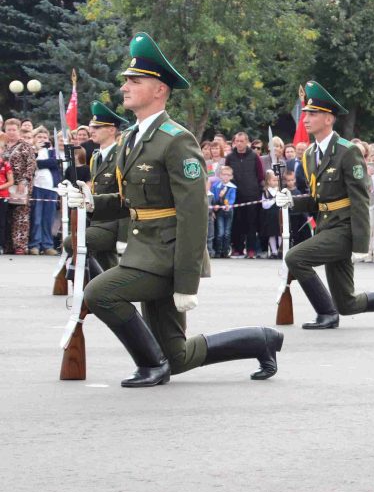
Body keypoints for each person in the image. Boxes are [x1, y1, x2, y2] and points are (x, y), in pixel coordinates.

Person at [61, 32, 282, 387]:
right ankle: (261, 340)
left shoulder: (176, 139)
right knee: (177, 357)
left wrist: (187, 281)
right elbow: (128, 201)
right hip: (142, 250)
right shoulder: (132, 138)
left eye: (135, 81)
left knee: (99, 293)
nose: (125, 88)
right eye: (126, 81)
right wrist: (89, 202)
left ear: (159, 90)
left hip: (165, 257)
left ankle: (151, 365)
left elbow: (194, 214)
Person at [276, 81, 374, 329]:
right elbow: (318, 199)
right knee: (347, 303)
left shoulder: (347, 151)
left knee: (296, 258)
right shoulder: (310, 154)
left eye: (313, 113)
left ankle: (325, 313)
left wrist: (360, 242)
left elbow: (360, 198)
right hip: (325, 227)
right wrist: (292, 201)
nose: (306, 119)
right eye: (306, 113)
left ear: (329, 119)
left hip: (344, 230)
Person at [62, 102, 130, 272]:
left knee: (72, 242)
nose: (92, 130)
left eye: (98, 127)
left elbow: (127, 197)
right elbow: (94, 191)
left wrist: (123, 236)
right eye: (92, 126)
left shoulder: (121, 157)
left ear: (112, 130)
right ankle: (104, 290)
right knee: (104, 263)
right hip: (97, 220)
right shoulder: (96, 157)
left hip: (114, 224)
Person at [225, 132, 264, 258]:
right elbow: (227, 173)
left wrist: (258, 190)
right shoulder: (230, 157)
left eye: (242, 141)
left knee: (251, 223)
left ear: (247, 142)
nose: (239, 144)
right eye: (237, 141)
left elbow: (260, 176)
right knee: (237, 223)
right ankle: (238, 248)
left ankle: (251, 249)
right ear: (234, 142)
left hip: (252, 196)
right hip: (235, 195)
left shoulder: (254, 156)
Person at [2, 118, 37, 255]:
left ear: (19, 131)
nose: (11, 132)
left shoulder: (25, 146)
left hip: (20, 186)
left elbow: (31, 165)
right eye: (8, 130)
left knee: (21, 216)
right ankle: (7, 245)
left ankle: (20, 246)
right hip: (4, 186)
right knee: (6, 215)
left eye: (14, 130)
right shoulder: (3, 146)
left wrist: (24, 181)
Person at [28, 127, 61, 255]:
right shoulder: (32, 150)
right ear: (35, 138)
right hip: (37, 187)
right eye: (39, 137)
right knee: (36, 218)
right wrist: (36, 151)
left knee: (48, 218)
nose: (42, 140)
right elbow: (32, 163)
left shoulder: (52, 151)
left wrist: (40, 163)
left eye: (44, 137)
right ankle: (34, 244)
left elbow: (54, 162)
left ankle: (47, 245)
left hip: (51, 188)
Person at [210, 165, 237, 258]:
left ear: (231, 177)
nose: (226, 177)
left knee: (227, 232)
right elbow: (213, 198)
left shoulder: (232, 187)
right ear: (220, 175)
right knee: (220, 232)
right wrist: (217, 202)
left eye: (228, 175)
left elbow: (232, 199)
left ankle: (225, 252)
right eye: (224, 174)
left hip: (228, 211)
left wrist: (228, 205)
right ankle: (218, 251)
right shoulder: (215, 186)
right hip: (219, 212)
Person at [0, 143, 13, 255]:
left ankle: (1, 245)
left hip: (2, 196)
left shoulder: (5, 164)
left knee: (2, 222)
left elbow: (11, 181)